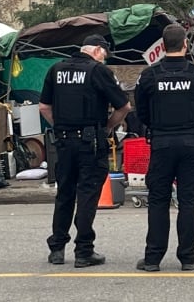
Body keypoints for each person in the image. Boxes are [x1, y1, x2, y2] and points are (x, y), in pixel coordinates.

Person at [39, 34, 131, 268]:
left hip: (63, 142)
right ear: (98, 51)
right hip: (91, 142)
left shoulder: (56, 69)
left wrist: (60, 127)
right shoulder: (98, 71)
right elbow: (124, 106)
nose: (104, 60)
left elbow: (43, 107)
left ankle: (57, 249)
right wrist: (108, 127)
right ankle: (84, 251)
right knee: (88, 196)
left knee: (65, 194)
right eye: (104, 55)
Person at [134, 23, 194, 272]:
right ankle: (188, 257)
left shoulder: (149, 75)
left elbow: (142, 112)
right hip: (191, 143)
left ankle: (153, 259)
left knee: (158, 200)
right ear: (184, 44)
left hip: (161, 143)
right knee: (188, 200)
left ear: (162, 46)